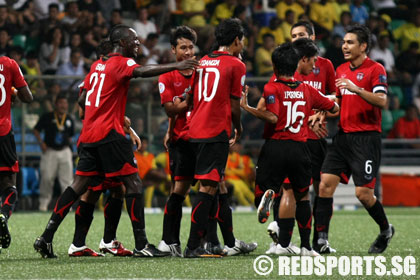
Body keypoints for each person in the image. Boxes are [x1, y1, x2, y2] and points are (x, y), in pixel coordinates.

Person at [33, 24, 199, 258]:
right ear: (122, 43)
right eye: (134, 41)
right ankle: (141, 244)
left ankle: (47, 236)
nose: (138, 44)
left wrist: (107, 111)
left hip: (89, 135)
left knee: (79, 187)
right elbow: (141, 72)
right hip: (109, 135)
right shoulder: (121, 62)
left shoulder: (96, 66)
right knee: (133, 184)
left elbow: (82, 99)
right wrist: (177, 65)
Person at [241, 42, 339, 256]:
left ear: (274, 67)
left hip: (275, 146)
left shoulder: (271, 87)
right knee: (303, 197)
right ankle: (306, 247)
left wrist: (247, 107)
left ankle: (268, 197)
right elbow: (334, 107)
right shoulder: (307, 89)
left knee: (263, 191)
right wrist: (318, 114)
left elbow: (271, 116)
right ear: (295, 64)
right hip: (300, 148)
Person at [314, 24, 394, 254]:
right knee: (325, 185)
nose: (344, 46)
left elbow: (381, 101)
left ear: (363, 46)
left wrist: (356, 88)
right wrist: (322, 113)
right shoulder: (340, 69)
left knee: (363, 194)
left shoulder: (375, 69)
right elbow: (337, 105)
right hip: (342, 137)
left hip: (366, 139)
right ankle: (321, 241)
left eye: (350, 42)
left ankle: (385, 229)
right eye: (344, 42)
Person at [265, 21, 337, 254]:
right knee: (297, 192)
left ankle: (318, 240)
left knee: (315, 189)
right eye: (293, 35)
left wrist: (320, 114)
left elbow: (333, 97)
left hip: (310, 138)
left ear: (312, 37)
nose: (296, 39)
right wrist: (305, 119)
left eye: (301, 35)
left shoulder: (324, 65)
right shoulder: (287, 66)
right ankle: (290, 242)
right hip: (298, 138)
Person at [183, 18, 244, 257]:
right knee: (208, 188)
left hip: (196, 128)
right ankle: (193, 246)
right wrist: (237, 127)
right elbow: (235, 105)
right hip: (215, 130)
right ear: (236, 40)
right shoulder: (236, 64)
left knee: (214, 186)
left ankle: (219, 242)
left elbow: (192, 97)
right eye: (242, 40)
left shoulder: (203, 61)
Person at [0, 55, 33, 252]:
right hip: (3, 132)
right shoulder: (9, 64)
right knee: (9, 186)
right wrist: (11, 91)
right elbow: (28, 97)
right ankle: (3, 214)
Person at [33, 95, 74, 212]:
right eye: (61, 103)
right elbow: (36, 130)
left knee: (67, 180)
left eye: (65, 103)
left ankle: (67, 205)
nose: (63, 106)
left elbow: (70, 136)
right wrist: (41, 143)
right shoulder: (47, 117)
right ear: (56, 104)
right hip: (50, 151)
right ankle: (43, 204)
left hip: (65, 151)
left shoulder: (69, 118)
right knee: (46, 178)